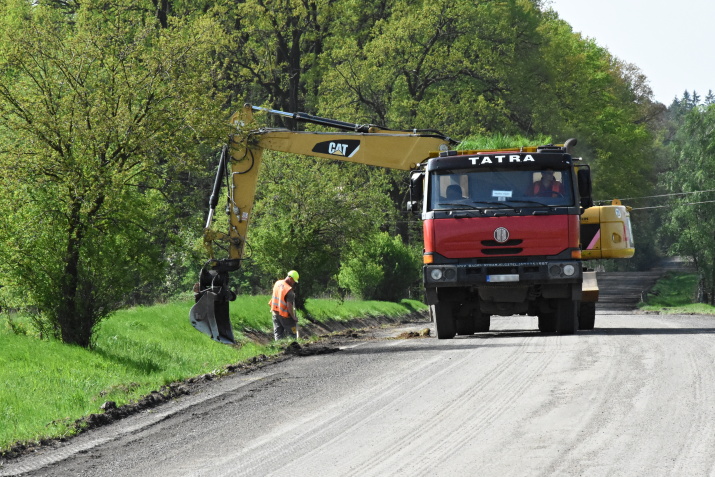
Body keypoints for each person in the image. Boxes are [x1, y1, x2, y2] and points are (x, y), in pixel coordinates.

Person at [269, 270, 300, 340]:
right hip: (285, 315)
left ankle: (279, 348)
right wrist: (293, 317)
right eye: (294, 281)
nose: (294, 283)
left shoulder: (277, 283)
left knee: (278, 334)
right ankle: (294, 348)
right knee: (293, 332)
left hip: (275, 313)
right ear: (290, 278)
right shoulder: (289, 291)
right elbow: (289, 306)